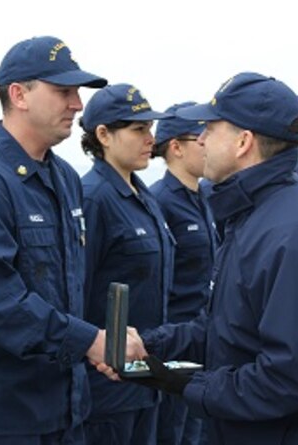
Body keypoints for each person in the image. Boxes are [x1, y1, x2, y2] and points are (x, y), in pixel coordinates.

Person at [99, 72, 298, 444]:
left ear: (243, 141)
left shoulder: (293, 234)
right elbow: (228, 330)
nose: (201, 139)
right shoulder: (257, 213)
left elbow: (293, 378)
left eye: (211, 129)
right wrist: (151, 348)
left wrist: (187, 384)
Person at [0, 36, 145, 445]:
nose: (77, 104)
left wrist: (104, 340)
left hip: (63, 408)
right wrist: (90, 341)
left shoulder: (65, 179)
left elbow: (66, 288)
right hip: (0, 416)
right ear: (19, 95)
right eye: (63, 91)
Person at [78, 83, 173, 445]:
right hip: (107, 387)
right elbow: (79, 290)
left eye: (149, 128)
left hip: (144, 379)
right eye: (138, 129)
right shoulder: (94, 198)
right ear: (103, 135)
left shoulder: (142, 196)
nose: (151, 138)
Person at [149, 101, 216, 445]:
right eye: (200, 137)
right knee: (171, 433)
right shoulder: (158, 201)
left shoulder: (204, 196)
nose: (209, 143)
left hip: (202, 338)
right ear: (175, 147)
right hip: (174, 341)